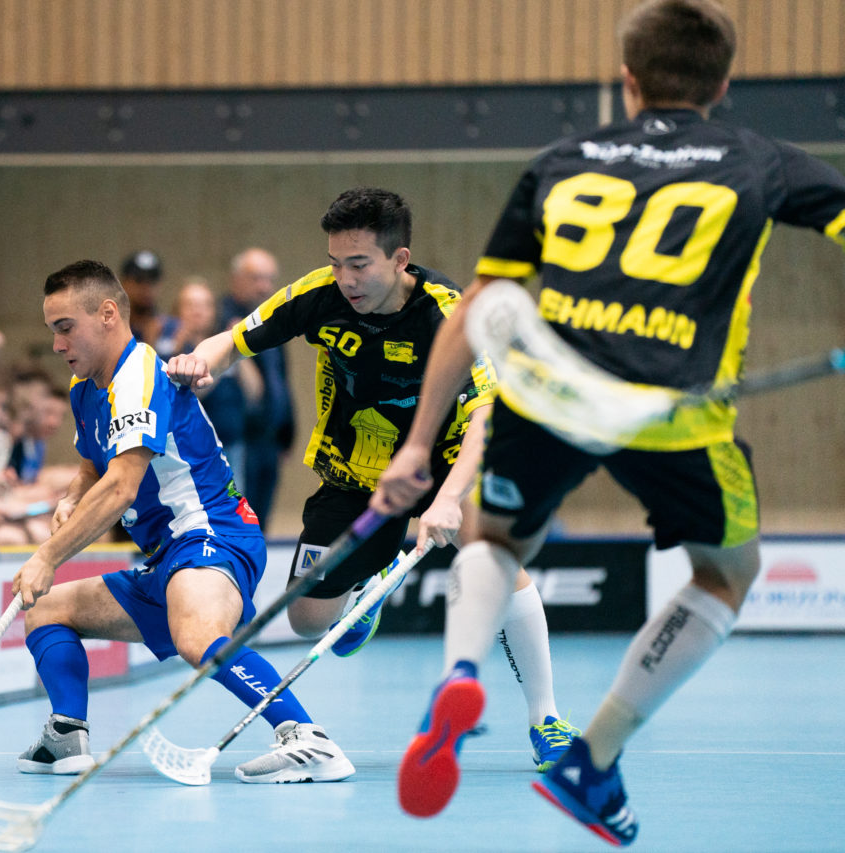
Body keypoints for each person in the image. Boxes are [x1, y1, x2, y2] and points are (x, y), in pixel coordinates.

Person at [370, 1, 845, 844]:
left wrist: (417, 447)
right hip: (670, 412)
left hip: (547, 391)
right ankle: (595, 758)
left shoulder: (562, 158)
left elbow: (480, 305)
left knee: (496, 536)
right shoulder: (762, 160)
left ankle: (460, 671)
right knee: (725, 575)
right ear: (725, 83)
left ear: (626, 80)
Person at [168, 188, 573, 767]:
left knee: (493, 553)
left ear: (399, 260)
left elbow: (488, 414)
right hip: (354, 470)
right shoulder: (319, 295)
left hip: (446, 456)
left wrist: (449, 501)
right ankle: (369, 582)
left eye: (359, 264)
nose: (346, 278)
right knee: (308, 620)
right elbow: (232, 342)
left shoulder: (451, 314)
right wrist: (198, 362)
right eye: (337, 262)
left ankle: (547, 720)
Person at [12, 259, 353, 784]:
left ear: (107, 314)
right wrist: (73, 493)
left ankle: (307, 738)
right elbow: (92, 463)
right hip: (166, 557)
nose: (57, 345)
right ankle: (66, 734)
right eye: (52, 331)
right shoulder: (86, 391)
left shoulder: (139, 374)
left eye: (64, 328)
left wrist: (46, 556)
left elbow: (123, 483)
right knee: (48, 611)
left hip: (212, 534)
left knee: (197, 636)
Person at [199, 248, 295, 528]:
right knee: (240, 521)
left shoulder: (273, 319)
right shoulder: (220, 319)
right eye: (256, 278)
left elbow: (280, 381)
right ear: (236, 279)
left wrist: (286, 433)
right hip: (237, 439)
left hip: (269, 440)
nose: (265, 286)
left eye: (270, 279)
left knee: (260, 522)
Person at [118, 249, 175, 349]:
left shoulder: (173, 330)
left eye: (152, 281)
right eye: (139, 280)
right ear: (123, 283)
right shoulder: (113, 329)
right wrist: (149, 343)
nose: (146, 287)